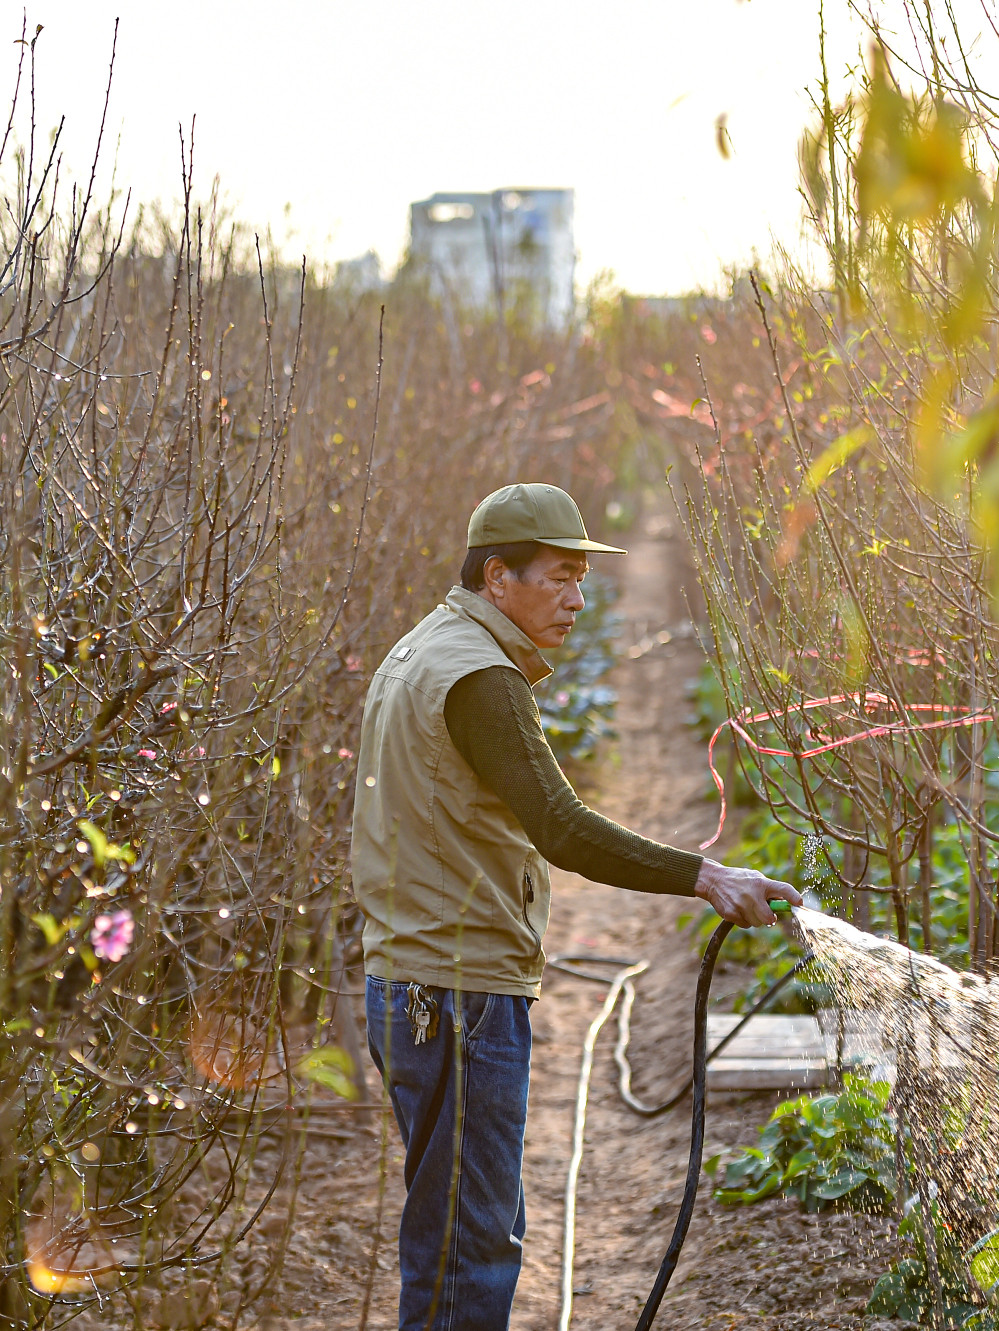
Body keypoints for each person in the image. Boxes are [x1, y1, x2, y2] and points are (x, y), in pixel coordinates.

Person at [350, 482, 797, 1331]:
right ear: (495, 577)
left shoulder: (421, 650)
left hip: (410, 985)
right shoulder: (481, 678)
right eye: (558, 576)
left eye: (583, 578)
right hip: (457, 994)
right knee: (469, 1246)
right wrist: (706, 877)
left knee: (450, 1231)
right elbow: (559, 825)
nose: (578, 598)